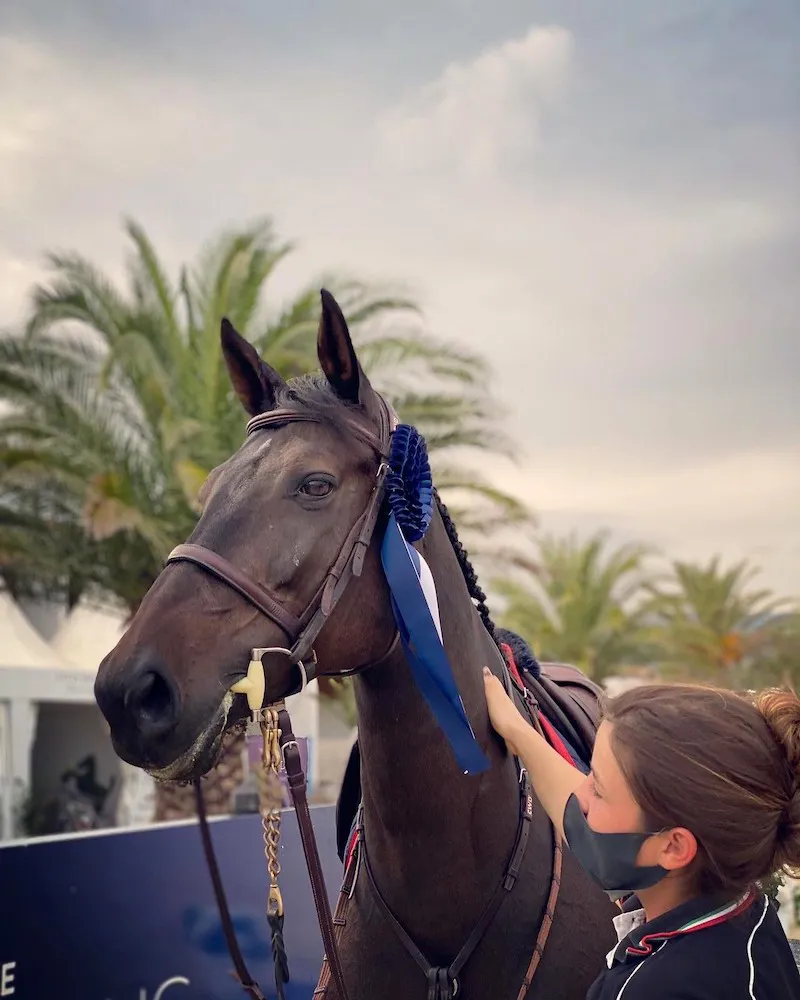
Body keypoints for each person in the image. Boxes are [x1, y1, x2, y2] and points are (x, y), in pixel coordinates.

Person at [483, 668, 800, 999]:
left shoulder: (657, 989)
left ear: (674, 847)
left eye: (598, 790)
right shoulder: (739, 906)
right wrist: (518, 731)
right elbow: (592, 824)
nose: (580, 796)